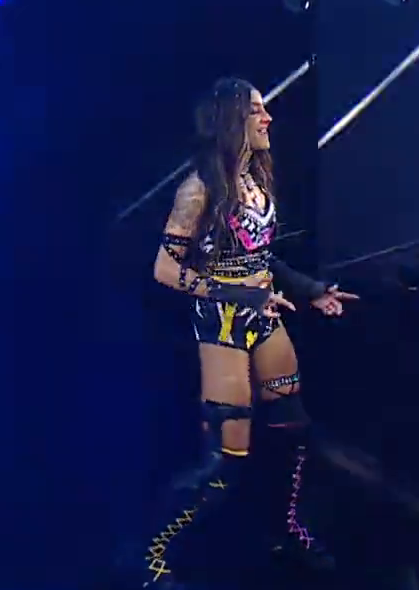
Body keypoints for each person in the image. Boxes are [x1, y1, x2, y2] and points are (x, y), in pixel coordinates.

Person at [136, 78, 358, 587]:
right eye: (256, 109)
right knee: (225, 462)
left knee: (293, 431)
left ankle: (285, 530)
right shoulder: (198, 189)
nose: (268, 118)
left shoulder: (255, 181)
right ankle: (151, 556)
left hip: (265, 315)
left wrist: (310, 289)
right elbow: (165, 270)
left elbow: (261, 258)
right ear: (232, 119)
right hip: (223, 322)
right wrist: (241, 295)